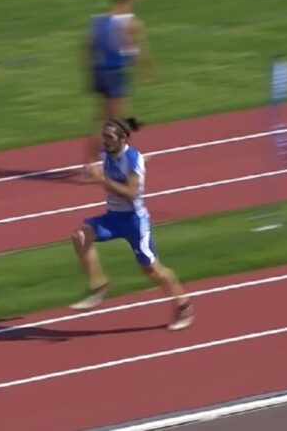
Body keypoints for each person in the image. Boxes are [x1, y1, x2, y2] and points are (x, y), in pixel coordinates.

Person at [69, 116, 194, 331]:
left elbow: (130, 193)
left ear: (122, 139)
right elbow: (103, 172)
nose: (105, 141)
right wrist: (89, 177)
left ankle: (183, 305)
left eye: (109, 137)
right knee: (80, 236)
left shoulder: (133, 159)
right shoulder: (106, 154)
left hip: (135, 221)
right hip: (113, 217)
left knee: (152, 270)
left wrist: (101, 180)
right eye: (104, 136)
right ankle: (98, 285)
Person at [79, 0, 154, 181]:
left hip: (100, 72)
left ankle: (108, 161)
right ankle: (93, 166)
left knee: (107, 119)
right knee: (112, 122)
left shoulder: (98, 21)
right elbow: (134, 49)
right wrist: (145, 70)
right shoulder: (129, 22)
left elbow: (89, 47)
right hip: (116, 73)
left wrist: (90, 74)